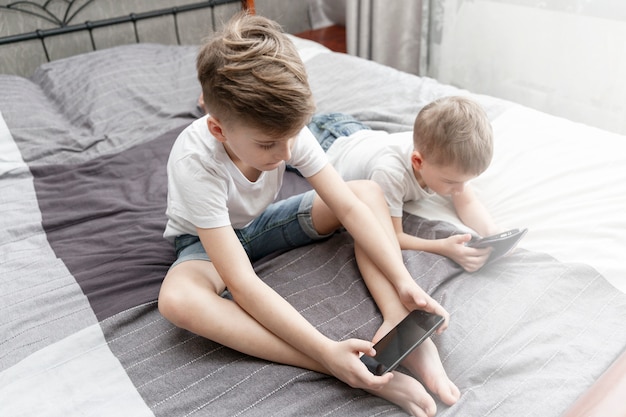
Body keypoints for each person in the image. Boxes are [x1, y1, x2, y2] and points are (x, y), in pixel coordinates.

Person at [159, 12, 459, 417]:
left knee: (366, 192)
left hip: (260, 225)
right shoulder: (195, 161)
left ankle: (397, 323)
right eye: (268, 145)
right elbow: (242, 283)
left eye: (290, 138)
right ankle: (345, 368)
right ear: (218, 130)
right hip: (207, 245)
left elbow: (347, 206)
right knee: (177, 301)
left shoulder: (284, 132)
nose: (285, 155)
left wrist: (405, 282)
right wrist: (326, 350)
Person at [307, 97, 500, 272]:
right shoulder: (390, 174)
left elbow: (467, 203)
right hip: (327, 145)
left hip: (354, 131)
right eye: (452, 182)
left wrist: (494, 235)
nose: (460, 189)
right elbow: (392, 236)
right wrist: (443, 248)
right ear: (418, 162)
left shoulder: (444, 161)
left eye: (466, 181)